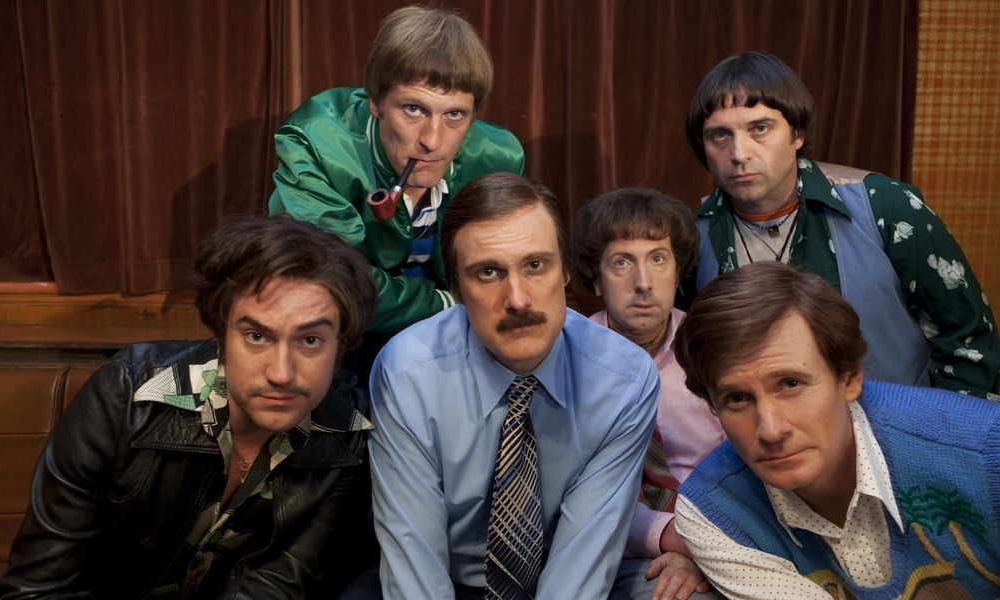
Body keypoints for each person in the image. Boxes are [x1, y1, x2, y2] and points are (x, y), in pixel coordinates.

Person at [0, 216, 380, 598]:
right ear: (221, 334)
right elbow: (38, 588)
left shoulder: (346, 435)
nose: (281, 373)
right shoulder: (127, 394)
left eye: (310, 340)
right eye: (256, 335)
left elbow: (277, 584)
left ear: (341, 345)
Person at [671, 261, 1000, 599]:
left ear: (849, 378)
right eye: (737, 398)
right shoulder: (713, 513)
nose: (771, 430)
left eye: (790, 384)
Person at [369, 172, 659, 599]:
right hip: (454, 583)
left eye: (535, 266)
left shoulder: (623, 380)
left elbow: (580, 569)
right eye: (488, 272)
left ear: (565, 272)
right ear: (456, 289)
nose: (518, 299)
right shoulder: (408, 374)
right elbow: (416, 570)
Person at [685, 50, 1000, 397]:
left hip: (895, 424)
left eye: (759, 128)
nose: (739, 153)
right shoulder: (694, 236)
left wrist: (936, 427)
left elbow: (969, 341)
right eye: (720, 135)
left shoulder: (885, 205)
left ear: (797, 134)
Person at [270, 6, 525, 334]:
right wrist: (449, 305)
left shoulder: (498, 158)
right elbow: (332, 282)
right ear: (375, 102)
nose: (432, 141)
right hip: (341, 337)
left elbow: (501, 272)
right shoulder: (316, 144)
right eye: (414, 109)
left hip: (456, 336)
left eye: (454, 114)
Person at [571, 187, 725, 600]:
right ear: (596, 279)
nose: (643, 283)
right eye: (622, 262)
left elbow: (752, 468)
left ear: (678, 270)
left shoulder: (715, 348)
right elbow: (575, 500)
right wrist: (669, 536)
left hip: (721, 534)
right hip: (611, 547)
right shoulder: (567, 361)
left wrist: (702, 549)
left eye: (658, 259)